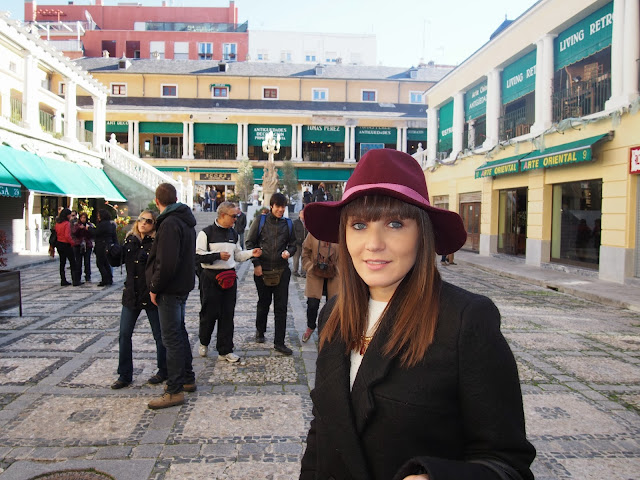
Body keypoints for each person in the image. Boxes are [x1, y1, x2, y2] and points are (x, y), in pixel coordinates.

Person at [300, 149, 535, 480]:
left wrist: (433, 477)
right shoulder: (333, 314)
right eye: (359, 225)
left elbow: (507, 463)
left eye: (395, 224)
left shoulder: (466, 321)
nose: (373, 243)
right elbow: (323, 431)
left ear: (422, 234)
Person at [146, 182, 197, 410]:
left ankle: (174, 390)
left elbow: (166, 263)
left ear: (157, 201)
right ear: (175, 198)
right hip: (182, 286)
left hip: (170, 288)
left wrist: (155, 287)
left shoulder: (169, 223)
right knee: (179, 332)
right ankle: (187, 377)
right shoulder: (185, 221)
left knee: (171, 338)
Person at [196, 201, 262, 362]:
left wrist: (251, 253)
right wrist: (217, 256)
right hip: (210, 278)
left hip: (229, 278)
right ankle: (204, 341)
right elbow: (197, 256)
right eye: (233, 216)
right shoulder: (206, 233)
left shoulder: (233, 233)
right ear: (223, 215)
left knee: (227, 314)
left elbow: (237, 255)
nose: (235, 219)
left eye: (236, 216)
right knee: (209, 313)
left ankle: (225, 350)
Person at [111, 210, 167, 390]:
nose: (143, 223)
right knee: (124, 334)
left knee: (159, 335)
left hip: (150, 294)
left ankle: (164, 370)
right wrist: (110, 251)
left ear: (154, 224)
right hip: (131, 295)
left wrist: (156, 289)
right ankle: (124, 374)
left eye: (148, 221)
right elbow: (117, 261)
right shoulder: (130, 240)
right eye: (141, 219)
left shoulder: (157, 243)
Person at [245, 192, 297, 355]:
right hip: (263, 270)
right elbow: (249, 243)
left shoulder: (288, 224)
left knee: (281, 307)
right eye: (278, 207)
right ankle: (260, 330)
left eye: (283, 207)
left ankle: (279, 342)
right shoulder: (260, 221)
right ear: (271, 206)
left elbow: (293, 244)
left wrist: (289, 252)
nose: (281, 210)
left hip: (282, 270)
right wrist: (256, 264)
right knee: (264, 303)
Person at [301, 233, 339, 343]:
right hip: (315, 273)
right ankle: (310, 326)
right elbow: (305, 252)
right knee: (312, 304)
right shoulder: (313, 233)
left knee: (331, 305)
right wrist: (310, 267)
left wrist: (339, 270)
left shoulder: (340, 233)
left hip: (334, 275)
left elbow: (346, 255)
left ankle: (327, 332)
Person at [54, 208, 80, 286]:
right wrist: (72, 243)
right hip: (66, 244)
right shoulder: (66, 223)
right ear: (66, 215)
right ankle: (75, 280)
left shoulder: (57, 223)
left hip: (59, 244)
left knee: (62, 263)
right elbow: (67, 235)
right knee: (73, 262)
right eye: (69, 215)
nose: (70, 217)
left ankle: (63, 280)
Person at [94, 209, 117, 287]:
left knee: (100, 263)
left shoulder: (102, 224)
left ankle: (105, 279)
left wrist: (89, 229)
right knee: (106, 263)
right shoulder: (111, 224)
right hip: (108, 245)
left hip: (102, 245)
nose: (98, 217)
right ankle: (109, 278)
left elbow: (96, 233)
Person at [72, 212, 95, 283]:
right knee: (78, 262)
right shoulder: (76, 225)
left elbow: (92, 234)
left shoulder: (89, 225)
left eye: (84, 218)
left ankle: (88, 276)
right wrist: (79, 228)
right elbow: (74, 233)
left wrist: (86, 229)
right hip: (78, 245)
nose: (83, 219)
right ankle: (78, 277)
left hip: (87, 245)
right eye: (82, 217)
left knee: (87, 262)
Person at [292, 207, 308, 277]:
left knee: (304, 258)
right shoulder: (295, 223)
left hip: (305, 244)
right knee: (296, 258)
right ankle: (295, 271)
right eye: (302, 213)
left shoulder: (307, 222)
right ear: (299, 215)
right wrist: (296, 240)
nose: (303, 215)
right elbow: (293, 232)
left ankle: (303, 272)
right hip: (297, 244)